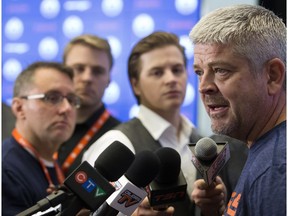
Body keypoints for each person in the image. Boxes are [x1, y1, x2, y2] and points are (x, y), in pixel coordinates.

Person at [83, 31, 247, 216]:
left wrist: (214, 208)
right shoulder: (116, 144)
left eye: (177, 70)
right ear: (135, 84)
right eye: (157, 72)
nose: (171, 79)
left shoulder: (202, 142)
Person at [189, 4, 286, 216]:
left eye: (221, 70)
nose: (203, 86)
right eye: (199, 72)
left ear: (272, 76)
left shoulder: (277, 170)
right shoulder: (265, 150)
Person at [2, 61, 79, 215]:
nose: (66, 108)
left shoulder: (50, 160)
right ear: (19, 108)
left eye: (71, 99)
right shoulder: (5, 171)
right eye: (52, 98)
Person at [56, 34, 121, 176]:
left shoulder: (120, 138)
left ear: (109, 79)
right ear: (63, 73)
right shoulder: (41, 126)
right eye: (78, 69)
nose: (87, 78)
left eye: (98, 71)